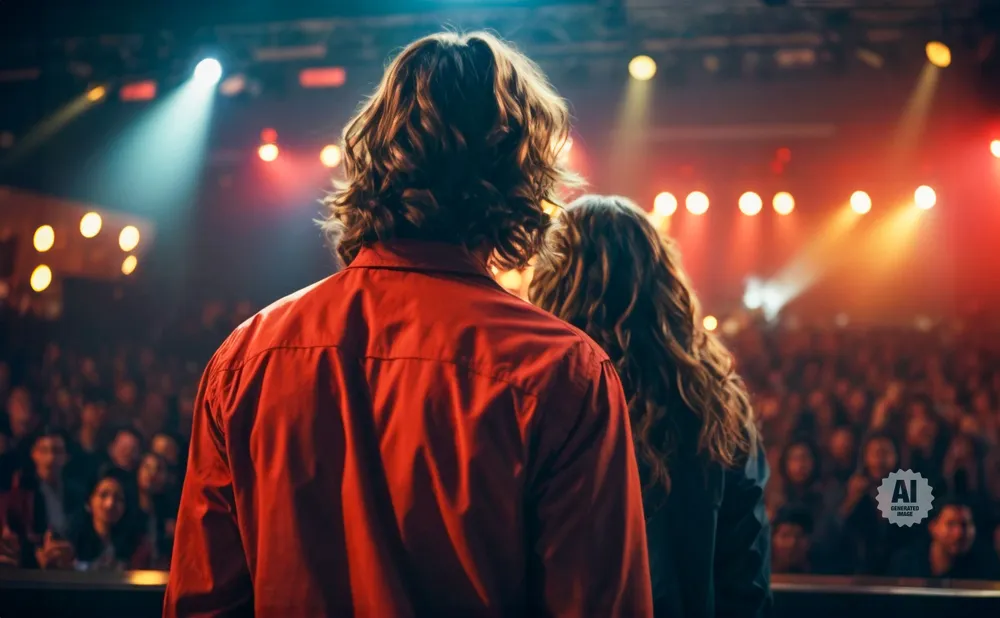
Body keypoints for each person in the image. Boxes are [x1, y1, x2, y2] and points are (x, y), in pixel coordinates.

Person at [166, 32, 653, 618]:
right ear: (518, 178)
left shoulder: (246, 360)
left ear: (371, 159)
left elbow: (202, 604)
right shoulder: (564, 373)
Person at [528, 195, 770, 617]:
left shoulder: (537, 391)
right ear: (662, 281)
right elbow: (745, 571)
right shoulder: (714, 401)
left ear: (555, 279)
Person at [889, 497, 1000, 579]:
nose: (959, 533)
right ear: (933, 527)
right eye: (951, 524)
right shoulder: (906, 564)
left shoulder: (986, 567)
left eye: (965, 525)